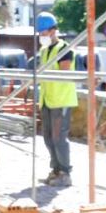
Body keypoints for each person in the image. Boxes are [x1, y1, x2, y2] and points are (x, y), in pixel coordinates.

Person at [35, 12, 76, 186]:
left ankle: (65, 173)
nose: (40, 36)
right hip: (47, 99)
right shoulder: (44, 51)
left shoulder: (65, 49)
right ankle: (56, 170)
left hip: (61, 100)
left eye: (43, 32)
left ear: (53, 31)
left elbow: (64, 74)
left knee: (59, 138)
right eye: (39, 33)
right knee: (48, 138)